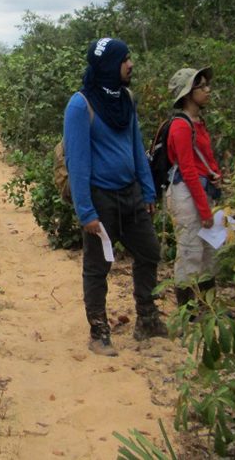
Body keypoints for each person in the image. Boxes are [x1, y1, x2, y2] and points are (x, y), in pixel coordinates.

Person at [63, 37, 168, 357]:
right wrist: (86, 212)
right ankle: (99, 332)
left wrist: (148, 189)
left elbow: (137, 147)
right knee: (98, 267)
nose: (130, 64)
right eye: (125, 59)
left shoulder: (126, 99)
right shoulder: (81, 105)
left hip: (131, 194)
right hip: (101, 197)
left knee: (149, 252)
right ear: (109, 64)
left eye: (129, 58)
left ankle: (147, 318)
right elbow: (77, 163)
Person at [163, 66, 223, 313]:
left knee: (210, 252)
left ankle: (208, 307)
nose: (208, 90)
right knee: (190, 251)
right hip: (187, 194)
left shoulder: (199, 123)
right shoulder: (181, 126)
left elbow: (205, 158)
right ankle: (187, 313)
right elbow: (187, 170)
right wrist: (204, 211)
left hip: (203, 190)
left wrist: (216, 176)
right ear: (188, 93)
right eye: (201, 86)